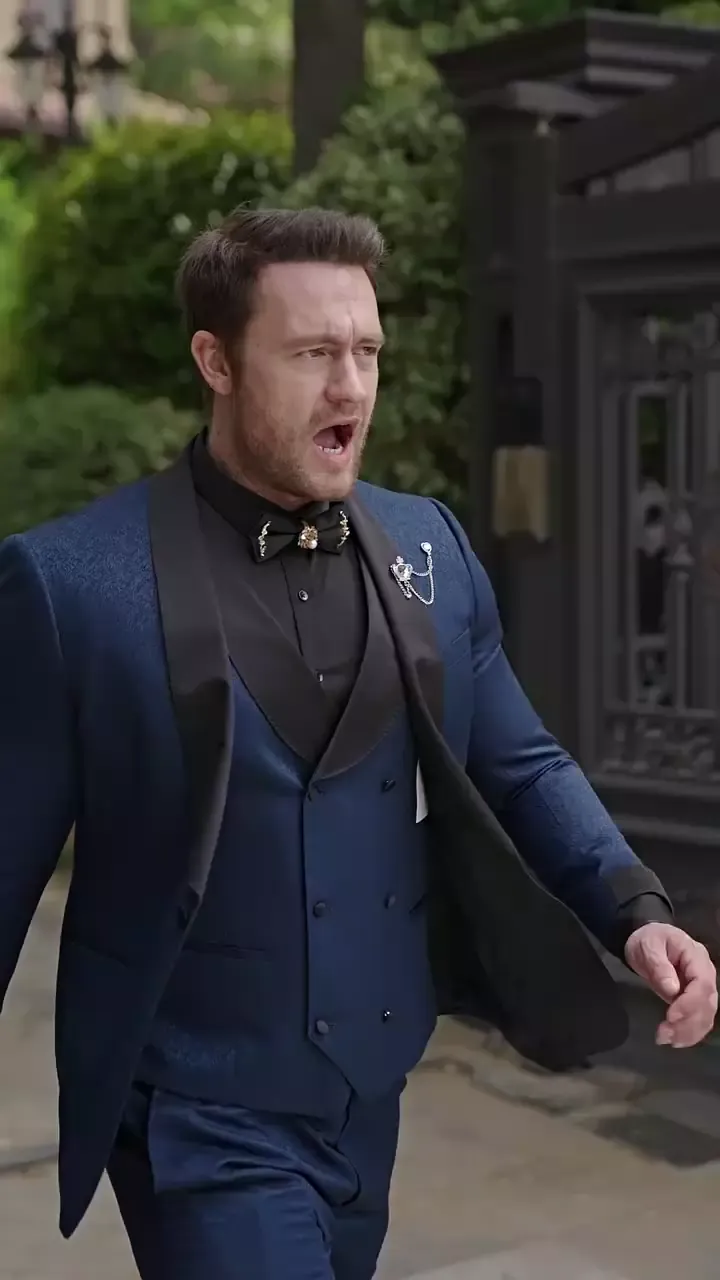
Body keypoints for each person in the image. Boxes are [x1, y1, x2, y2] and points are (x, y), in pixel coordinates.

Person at [0, 207, 716, 1280]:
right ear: (216, 361)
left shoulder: (430, 545)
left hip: (370, 1102)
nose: (351, 387)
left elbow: (521, 762)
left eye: (367, 351)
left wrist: (635, 908)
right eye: (312, 354)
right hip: (198, 1115)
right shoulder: (71, 586)